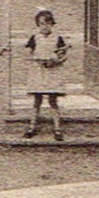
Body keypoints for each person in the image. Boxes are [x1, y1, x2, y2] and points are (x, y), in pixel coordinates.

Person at [23, 9, 69, 141]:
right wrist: (37, 60)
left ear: (52, 24)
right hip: (38, 71)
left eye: (48, 23)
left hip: (52, 71)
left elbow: (63, 54)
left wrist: (56, 60)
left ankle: (57, 129)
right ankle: (32, 127)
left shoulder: (58, 38)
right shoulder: (35, 37)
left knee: (53, 100)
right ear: (38, 24)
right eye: (42, 23)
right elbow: (28, 53)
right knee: (37, 100)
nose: (45, 26)